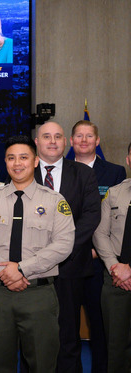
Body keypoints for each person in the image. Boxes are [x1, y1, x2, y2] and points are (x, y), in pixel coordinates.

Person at [0, 135, 75, 372]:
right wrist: (4, 271)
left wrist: (20, 269)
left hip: (38, 296)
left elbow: (64, 243)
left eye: (23, 157)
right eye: (11, 158)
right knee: (1, 364)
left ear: (36, 161)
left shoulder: (54, 201)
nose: (17, 163)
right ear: (5, 162)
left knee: (42, 364)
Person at [34, 121, 101, 372]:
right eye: (47, 136)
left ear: (66, 142)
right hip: (33, 268)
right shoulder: (23, 172)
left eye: (58, 136)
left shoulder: (84, 173)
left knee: (69, 336)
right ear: (37, 142)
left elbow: (91, 216)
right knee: (34, 334)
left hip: (71, 267)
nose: (52, 141)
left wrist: (61, 249)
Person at [70, 119, 126, 372]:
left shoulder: (115, 173)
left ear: (98, 141)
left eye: (89, 136)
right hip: (67, 260)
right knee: (66, 326)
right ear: (71, 142)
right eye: (79, 136)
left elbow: (113, 221)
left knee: (102, 327)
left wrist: (99, 252)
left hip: (100, 264)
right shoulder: (61, 171)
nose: (83, 140)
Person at [92, 142, 131, 372]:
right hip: (115, 279)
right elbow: (100, 233)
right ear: (128, 160)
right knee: (115, 346)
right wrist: (115, 267)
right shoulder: (114, 193)